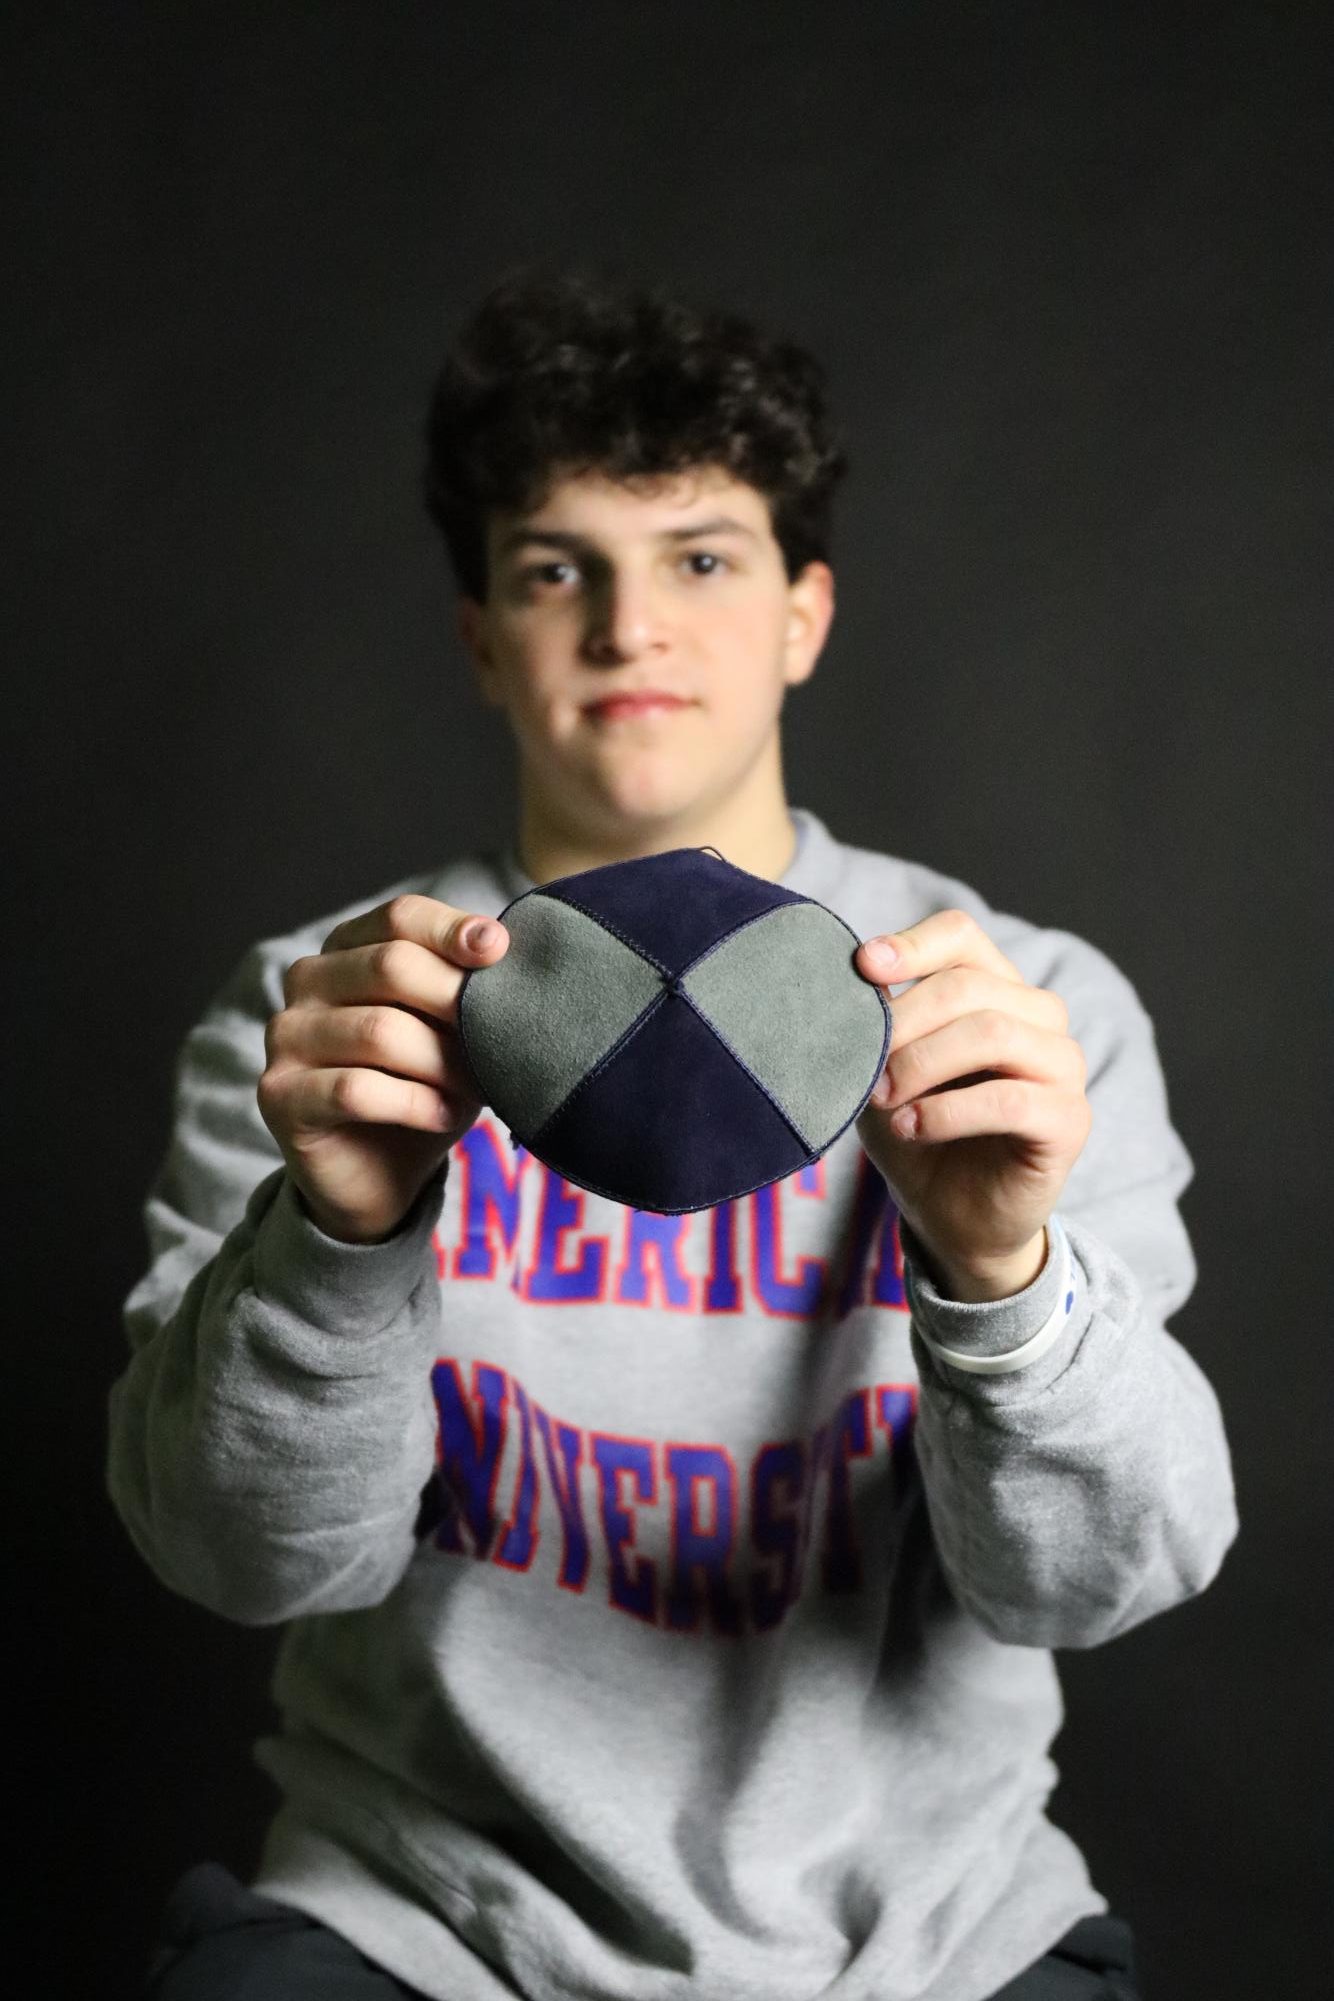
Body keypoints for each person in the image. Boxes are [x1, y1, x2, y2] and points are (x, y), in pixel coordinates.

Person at [109, 265, 1238, 2001]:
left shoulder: (1020, 1008)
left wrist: (999, 1272)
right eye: (556, 568)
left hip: (929, 1936)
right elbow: (238, 1563)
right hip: (420, 1915)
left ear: (802, 613)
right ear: (485, 635)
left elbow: (1103, 1578)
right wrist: (334, 1243)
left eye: (701, 558)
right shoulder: (323, 1012)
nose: (629, 628)